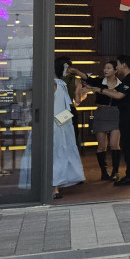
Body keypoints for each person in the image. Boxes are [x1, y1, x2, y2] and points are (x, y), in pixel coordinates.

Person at [100, 55, 130, 187]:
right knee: (129, 147)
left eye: (117, 64)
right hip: (128, 117)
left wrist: (100, 90)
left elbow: (118, 95)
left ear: (124, 65)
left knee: (129, 147)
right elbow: (115, 91)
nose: (117, 67)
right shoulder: (128, 80)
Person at [50, 58, 85, 199]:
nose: (69, 71)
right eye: (67, 68)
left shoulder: (60, 83)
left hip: (60, 122)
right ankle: (55, 187)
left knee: (58, 153)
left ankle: (55, 186)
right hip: (59, 123)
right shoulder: (57, 84)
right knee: (58, 153)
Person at [86, 60, 122, 182]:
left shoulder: (121, 84)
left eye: (109, 68)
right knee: (102, 146)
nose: (105, 70)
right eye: (105, 68)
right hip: (101, 113)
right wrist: (75, 71)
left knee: (114, 144)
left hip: (115, 113)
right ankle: (104, 172)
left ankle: (115, 171)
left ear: (115, 70)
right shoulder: (99, 81)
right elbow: (86, 78)